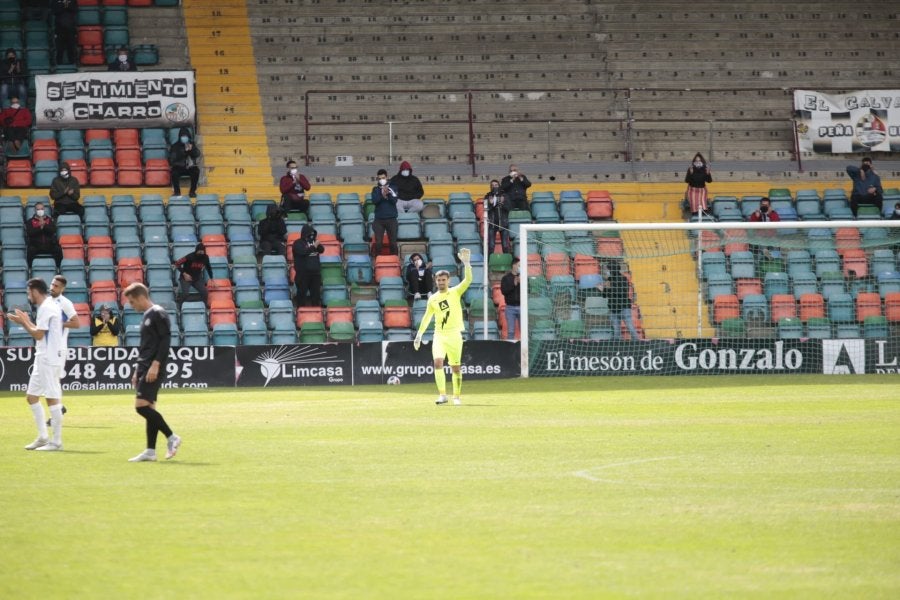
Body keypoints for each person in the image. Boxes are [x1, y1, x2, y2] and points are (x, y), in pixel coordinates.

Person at [123, 282, 181, 462]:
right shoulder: (148, 315)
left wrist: (155, 364)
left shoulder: (158, 313)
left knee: (140, 407)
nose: (132, 306)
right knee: (149, 408)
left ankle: (172, 437)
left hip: (152, 367)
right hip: (144, 366)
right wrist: (136, 370)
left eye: (132, 302)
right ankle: (150, 451)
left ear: (141, 297)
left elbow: (165, 341)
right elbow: (146, 346)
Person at [8, 279, 65, 451]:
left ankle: (56, 442)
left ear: (34, 291)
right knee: (32, 396)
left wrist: (24, 322)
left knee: (52, 398)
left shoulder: (47, 307)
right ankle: (42, 437)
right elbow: (40, 331)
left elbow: (39, 335)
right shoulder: (46, 306)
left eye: (28, 292)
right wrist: (24, 321)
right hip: (43, 356)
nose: (28, 296)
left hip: (49, 358)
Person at [414, 248, 472, 405]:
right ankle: (442, 395)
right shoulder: (432, 299)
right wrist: (419, 334)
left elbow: (467, 281)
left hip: (454, 334)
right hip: (439, 334)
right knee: (438, 362)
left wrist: (467, 264)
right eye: (438, 280)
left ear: (449, 280)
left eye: (443, 280)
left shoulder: (455, 292)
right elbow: (427, 317)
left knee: (455, 367)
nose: (441, 282)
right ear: (435, 281)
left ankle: (457, 397)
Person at [49, 275, 80, 423]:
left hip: (59, 347)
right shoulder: (47, 301)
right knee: (52, 381)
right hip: (48, 347)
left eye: (56, 286)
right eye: (52, 284)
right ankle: (59, 408)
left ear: (62, 289)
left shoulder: (65, 303)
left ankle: (57, 412)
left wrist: (59, 324)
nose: (52, 288)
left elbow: (76, 323)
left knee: (54, 380)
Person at [599, 262, 640, 341]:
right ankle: (617, 344)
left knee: (630, 326)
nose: (606, 271)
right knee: (616, 329)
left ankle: (637, 342)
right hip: (613, 308)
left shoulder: (623, 278)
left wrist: (606, 289)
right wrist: (602, 289)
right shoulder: (609, 280)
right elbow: (604, 295)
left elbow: (622, 292)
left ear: (611, 269)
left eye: (607, 269)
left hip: (623, 307)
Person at [292, 223, 325, 306]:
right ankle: (301, 315)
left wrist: (315, 242)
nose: (311, 235)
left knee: (316, 297)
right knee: (301, 297)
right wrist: (314, 246)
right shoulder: (297, 243)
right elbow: (303, 252)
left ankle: (316, 316)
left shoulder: (314, 242)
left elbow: (321, 250)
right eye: (310, 234)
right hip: (303, 274)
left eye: (313, 234)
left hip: (315, 274)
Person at [371, 168, 399, 256]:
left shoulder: (393, 187)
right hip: (379, 220)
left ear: (387, 177)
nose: (381, 180)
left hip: (392, 219)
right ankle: (378, 261)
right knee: (378, 243)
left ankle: (394, 261)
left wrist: (389, 194)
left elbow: (394, 200)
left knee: (393, 243)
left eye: (383, 178)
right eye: (379, 178)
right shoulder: (375, 189)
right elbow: (375, 201)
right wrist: (382, 195)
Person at [25, 202, 62, 268]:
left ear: (44, 209)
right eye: (38, 209)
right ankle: (30, 269)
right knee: (30, 250)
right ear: (35, 210)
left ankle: (58, 269)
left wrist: (44, 225)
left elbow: (53, 231)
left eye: (41, 209)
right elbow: (30, 233)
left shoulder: (49, 220)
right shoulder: (30, 221)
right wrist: (40, 227)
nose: (40, 211)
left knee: (58, 250)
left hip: (49, 244)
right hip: (36, 245)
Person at [168, 127, 200, 198]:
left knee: (196, 171)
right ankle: (177, 192)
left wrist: (191, 150)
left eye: (186, 136)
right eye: (183, 136)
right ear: (180, 137)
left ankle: (192, 192)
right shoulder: (175, 146)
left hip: (190, 167)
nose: (184, 138)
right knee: (174, 172)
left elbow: (197, 154)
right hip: (179, 167)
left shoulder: (191, 144)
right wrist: (183, 152)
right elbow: (172, 159)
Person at [484, 179, 510, 253]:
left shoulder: (504, 195)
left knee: (505, 245)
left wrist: (502, 203)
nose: (494, 187)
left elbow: (508, 208)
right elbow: (485, 209)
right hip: (492, 224)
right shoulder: (487, 196)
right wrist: (491, 204)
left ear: (499, 186)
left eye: (496, 185)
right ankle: (488, 263)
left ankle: (507, 263)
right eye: (492, 185)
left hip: (504, 224)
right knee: (491, 246)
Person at [499, 257, 521, 341]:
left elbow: (528, 290)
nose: (520, 267)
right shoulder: (506, 278)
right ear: (514, 266)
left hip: (521, 307)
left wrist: (522, 283)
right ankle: (510, 348)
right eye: (519, 265)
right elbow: (504, 291)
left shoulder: (523, 277)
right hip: (510, 307)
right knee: (511, 331)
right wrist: (514, 284)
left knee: (524, 331)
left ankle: (524, 350)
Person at [52, 0, 79, 66]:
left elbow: (74, 10)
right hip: (59, 29)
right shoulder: (55, 1)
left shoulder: (73, 1)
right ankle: (59, 64)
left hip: (71, 28)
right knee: (59, 48)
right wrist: (64, 6)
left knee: (71, 48)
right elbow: (55, 11)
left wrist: (66, 6)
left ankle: (72, 64)